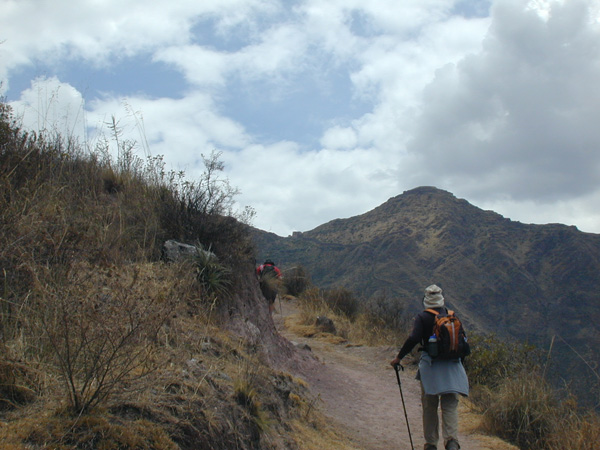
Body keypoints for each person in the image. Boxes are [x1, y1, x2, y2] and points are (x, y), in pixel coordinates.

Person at [390, 284, 469, 450]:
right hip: (452, 368)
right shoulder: (451, 316)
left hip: (431, 367)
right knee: (449, 405)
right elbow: (463, 342)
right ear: (441, 299)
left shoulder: (423, 317)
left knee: (430, 405)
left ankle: (431, 444)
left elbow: (414, 338)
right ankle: (452, 442)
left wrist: (399, 357)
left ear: (426, 300)